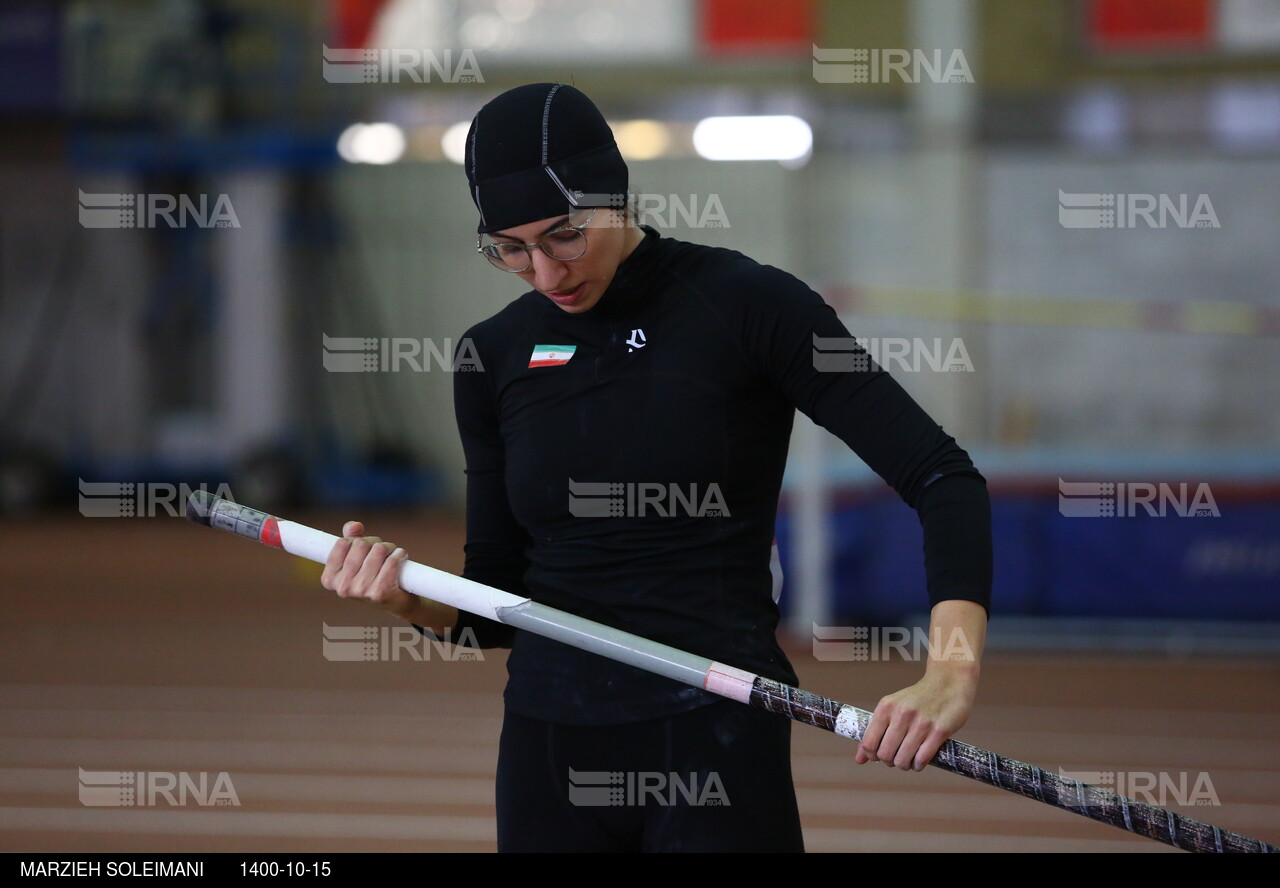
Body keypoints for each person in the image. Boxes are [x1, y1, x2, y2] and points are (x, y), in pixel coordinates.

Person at [321, 83, 991, 853]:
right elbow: (493, 608)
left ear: (615, 196)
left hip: (714, 741)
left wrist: (952, 670)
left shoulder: (749, 306)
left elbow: (942, 477)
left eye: (565, 234)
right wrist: (408, 598)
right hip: (548, 752)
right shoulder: (491, 355)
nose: (546, 273)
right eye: (510, 249)